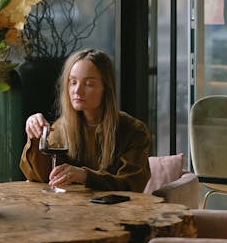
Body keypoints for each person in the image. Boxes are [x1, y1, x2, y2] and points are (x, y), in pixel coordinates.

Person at [20, 48, 151, 192]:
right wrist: (35, 137)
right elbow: (40, 178)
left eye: (88, 84)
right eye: (73, 82)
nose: (77, 90)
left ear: (106, 88)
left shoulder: (133, 131)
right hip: (72, 211)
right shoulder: (60, 128)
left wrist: (85, 176)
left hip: (118, 212)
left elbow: (133, 184)